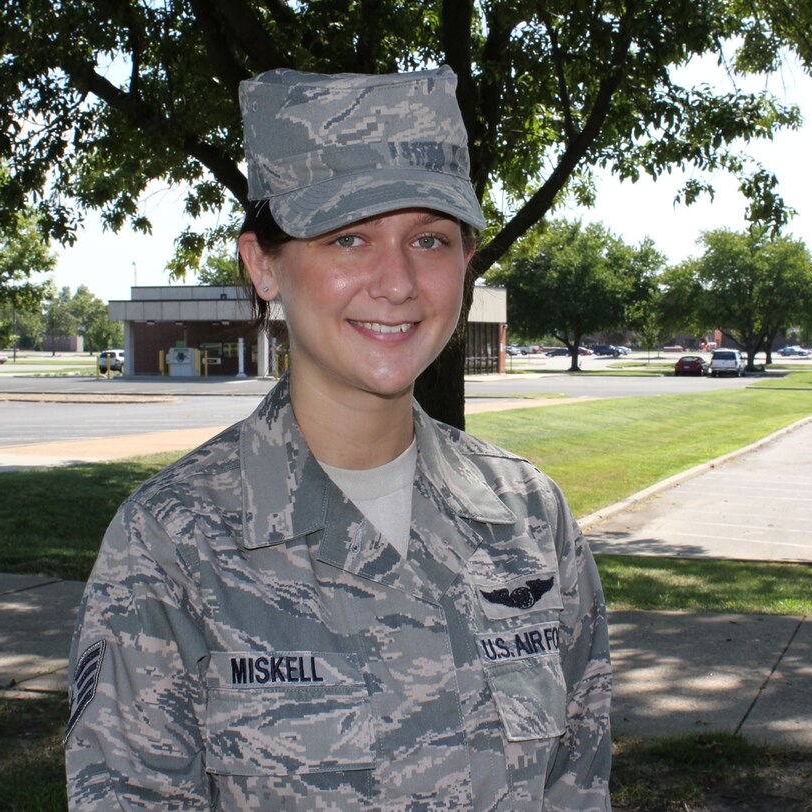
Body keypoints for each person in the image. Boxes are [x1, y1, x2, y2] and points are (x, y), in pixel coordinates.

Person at [66, 66, 612, 811]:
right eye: (348, 238)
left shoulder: (529, 518)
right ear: (262, 263)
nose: (396, 283)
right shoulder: (172, 544)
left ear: (466, 264)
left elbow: (578, 785)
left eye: (429, 239)